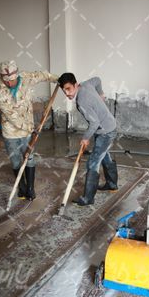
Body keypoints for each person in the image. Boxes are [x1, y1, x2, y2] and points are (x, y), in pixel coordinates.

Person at [0, 60, 58, 200]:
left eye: (12, 80)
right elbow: (13, 117)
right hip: (10, 132)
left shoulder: (26, 78)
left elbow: (42, 75)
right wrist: (31, 129)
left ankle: (30, 187)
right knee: (15, 161)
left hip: (27, 132)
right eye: (6, 81)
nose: (10, 83)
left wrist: (57, 79)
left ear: (17, 75)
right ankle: (21, 186)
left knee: (29, 157)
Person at [58, 73, 118, 206]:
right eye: (64, 90)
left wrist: (85, 138)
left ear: (75, 85)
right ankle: (112, 184)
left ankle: (88, 198)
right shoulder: (85, 84)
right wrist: (101, 93)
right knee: (104, 156)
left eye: (68, 89)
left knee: (92, 163)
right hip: (108, 126)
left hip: (105, 132)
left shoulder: (82, 101)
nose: (67, 93)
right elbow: (97, 79)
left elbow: (94, 123)